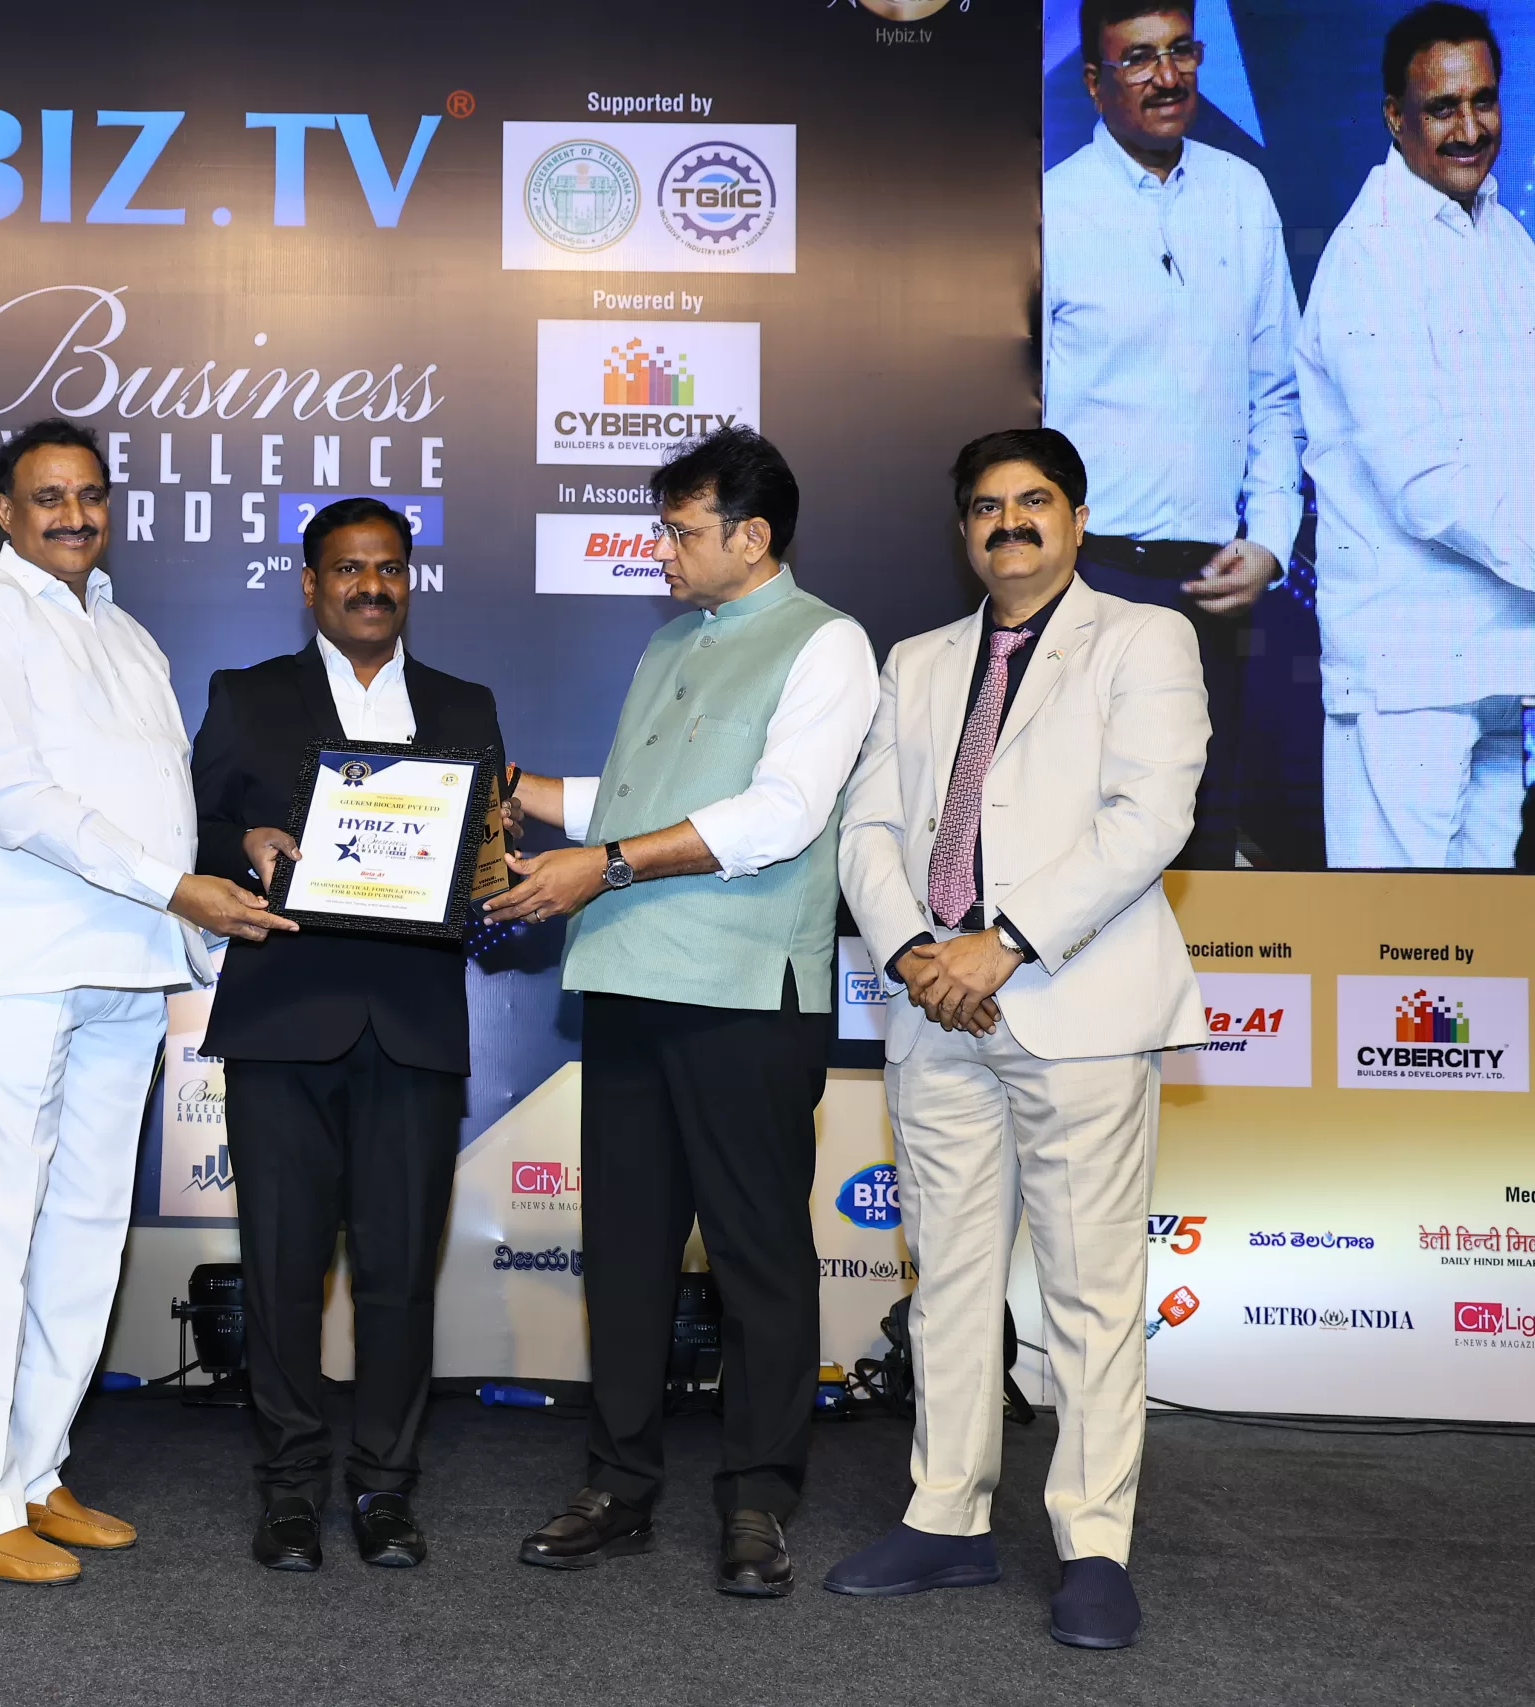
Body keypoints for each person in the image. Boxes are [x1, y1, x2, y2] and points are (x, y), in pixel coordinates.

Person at [827, 428, 1208, 1650]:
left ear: (1077, 519)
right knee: (946, 1279)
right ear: (963, 532)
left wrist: (1004, 942)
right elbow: (866, 825)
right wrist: (912, 952)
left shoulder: (1144, 638)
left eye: (1033, 501)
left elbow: (1149, 815)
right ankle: (945, 1516)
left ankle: (1092, 1545)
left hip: (1073, 1002)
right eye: (986, 507)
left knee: (1091, 1292)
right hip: (933, 1005)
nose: (1009, 523)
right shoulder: (917, 660)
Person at [488, 427, 875, 1597]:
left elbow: (781, 814)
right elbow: (623, 800)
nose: (658, 551)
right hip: (628, 980)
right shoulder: (668, 643)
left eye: (678, 531)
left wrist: (602, 866)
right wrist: (500, 790)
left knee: (758, 1260)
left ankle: (757, 1499)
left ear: (751, 538)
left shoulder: (827, 643)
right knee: (625, 1253)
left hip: (742, 993)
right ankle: (617, 1485)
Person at [0, 417, 291, 1585]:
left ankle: (34, 1470)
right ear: (3, 513)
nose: (73, 515)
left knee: (81, 1231)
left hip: (129, 966)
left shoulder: (126, 635)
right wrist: (178, 888)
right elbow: (12, 800)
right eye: (47, 497)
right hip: (14, 963)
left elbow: (161, 804)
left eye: (89, 495)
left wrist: (197, 898)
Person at [190, 496, 507, 1573]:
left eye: (388, 568)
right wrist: (244, 840)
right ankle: (288, 1488)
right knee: (281, 1271)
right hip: (283, 1018)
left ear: (408, 580)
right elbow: (187, 828)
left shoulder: (466, 704)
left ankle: (384, 1487)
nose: (371, 586)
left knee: (398, 1275)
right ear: (311, 583)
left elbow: (483, 863)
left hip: (413, 1026)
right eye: (347, 569)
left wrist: (493, 866)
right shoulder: (246, 695)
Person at [1045, 0, 1301, 869]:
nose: (1166, 76)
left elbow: (1277, 393)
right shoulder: (1051, 207)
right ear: (1094, 81)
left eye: (1181, 51)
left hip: (1211, 586)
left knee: (1200, 850)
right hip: (1087, 582)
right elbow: (1022, 418)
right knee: (1078, 851)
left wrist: (1270, 540)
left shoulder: (1242, 194)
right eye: (1139, 58)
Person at [1296, 3, 1534, 868]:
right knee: (1391, 934)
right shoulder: (1369, 256)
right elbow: (1425, 484)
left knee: (1485, 935)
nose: (1469, 129)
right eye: (1442, 108)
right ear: (1395, 116)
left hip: (1506, 660)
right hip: (1406, 670)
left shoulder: (1506, 237)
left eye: (1484, 100)